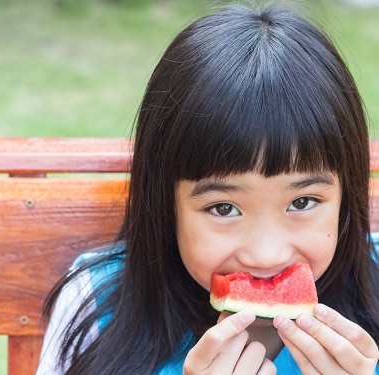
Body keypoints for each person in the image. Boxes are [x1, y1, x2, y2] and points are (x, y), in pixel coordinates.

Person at [36, 3, 379, 374]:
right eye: (223, 208)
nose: (265, 255)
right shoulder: (94, 302)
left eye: (302, 201)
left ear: (347, 198)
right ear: (166, 204)